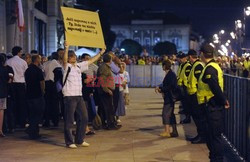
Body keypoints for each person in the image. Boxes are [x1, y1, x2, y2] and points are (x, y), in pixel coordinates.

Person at [62, 42, 105, 149]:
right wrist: (66, 48)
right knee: (69, 119)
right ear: (68, 58)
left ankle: (79, 140)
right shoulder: (66, 67)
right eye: (72, 57)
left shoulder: (78, 66)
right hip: (69, 96)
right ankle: (69, 141)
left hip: (79, 95)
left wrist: (101, 52)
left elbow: (91, 61)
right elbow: (64, 60)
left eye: (75, 57)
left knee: (84, 117)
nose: (74, 58)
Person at [197, 44, 230, 162]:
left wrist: (223, 100)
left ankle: (217, 159)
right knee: (212, 137)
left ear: (202, 54)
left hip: (212, 107)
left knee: (215, 137)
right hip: (212, 106)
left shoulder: (210, 68)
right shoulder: (212, 66)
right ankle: (215, 158)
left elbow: (214, 86)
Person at [97, 54, 121, 130]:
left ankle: (111, 123)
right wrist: (107, 90)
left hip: (107, 90)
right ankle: (110, 125)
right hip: (106, 91)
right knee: (108, 109)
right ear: (110, 60)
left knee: (109, 108)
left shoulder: (106, 67)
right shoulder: (104, 67)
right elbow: (102, 80)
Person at [155, 59, 178, 138]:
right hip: (170, 97)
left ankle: (167, 131)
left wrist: (161, 89)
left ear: (164, 66)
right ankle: (174, 131)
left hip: (170, 97)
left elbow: (170, 86)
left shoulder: (170, 75)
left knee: (165, 113)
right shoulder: (170, 74)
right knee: (171, 114)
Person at [186, 49, 205, 144]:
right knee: (197, 117)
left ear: (190, 57)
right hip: (194, 95)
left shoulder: (197, 66)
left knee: (199, 117)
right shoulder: (196, 65)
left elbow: (200, 82)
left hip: (196, 96)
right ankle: (200, 135)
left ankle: (202, 136)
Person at [6, 46, 28, 128]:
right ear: (19, 52)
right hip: (21, 84)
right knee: (22, 104)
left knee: (12, 103)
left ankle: (13, 122)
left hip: (11, 84)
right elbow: (26, 73)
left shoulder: (8, 61)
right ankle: (22, 121)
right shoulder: (23, 62)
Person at [24, 55, 45, 139]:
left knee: (32, 113)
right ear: (37, 60)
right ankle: (32, 129)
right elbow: (42, 82)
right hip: (37, 94)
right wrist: (43, 91)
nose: (41, 60)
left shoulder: (28, 70)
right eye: (40, 59)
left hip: (29, 94)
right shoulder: (38, 70)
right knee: (38, 113)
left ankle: (33, 131)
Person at [0, 54, 12, 137]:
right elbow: (9, 81)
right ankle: (0, 130)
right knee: (1, 110)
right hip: (2, 92)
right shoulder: (5, 69)